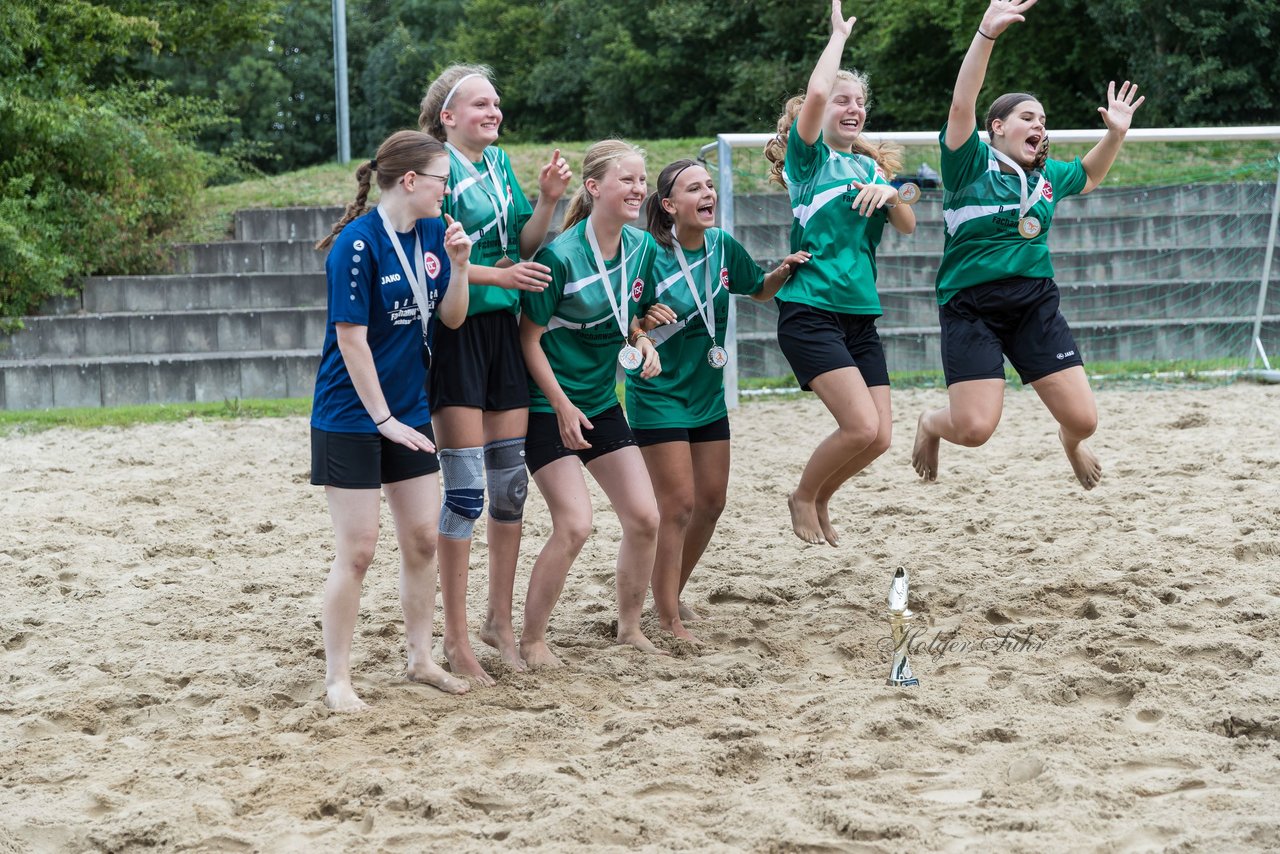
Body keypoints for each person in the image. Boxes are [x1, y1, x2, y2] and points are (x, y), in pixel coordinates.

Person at [910, 0, 1144, 490]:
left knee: (1084, 422)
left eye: (1043, 119)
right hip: (970, 304)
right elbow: (961, 104)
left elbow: (1090, 174)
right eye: (1027, 116)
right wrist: (986, 35)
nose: (1039, 125)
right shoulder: (968, 162)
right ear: (997, 127)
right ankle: (932, 423)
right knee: (974, 430)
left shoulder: (1047, 175)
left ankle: (1070, 445)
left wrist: (1115, 134)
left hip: (1033, 302)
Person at [417, 65, 573, 685]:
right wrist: (499, 276)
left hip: (503, 334)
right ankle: (454, 638)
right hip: (456, 334)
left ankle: (498, 623)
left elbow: (525, 245)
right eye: (481, 103)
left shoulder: (500, 164)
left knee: (510, 488)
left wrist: (550, 201)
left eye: (497, 103)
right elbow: (434, 262)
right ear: (448, 116)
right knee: (464, 494)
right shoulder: (436, 168)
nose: (494, 111)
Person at [310, 130, 473, 711]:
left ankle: (420, 659)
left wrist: (459, 267)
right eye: (441, 181)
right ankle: (337, 680)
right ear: (410, 181)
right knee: (358, 549)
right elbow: (350, 340)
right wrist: (381, 418)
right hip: (352, 414)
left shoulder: (434, 232)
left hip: (407, 412)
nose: (446, 193)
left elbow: (451, 320)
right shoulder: (357, 245)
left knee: (424, 540)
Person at [629, 159, 810, 642]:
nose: (708, 193)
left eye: (710, 185)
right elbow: (618, 320)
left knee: (711, 502)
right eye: (694, 188)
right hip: (659, 395)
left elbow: (758, 290)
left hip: (707, 396)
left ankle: (670, 593)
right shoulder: (647, 250)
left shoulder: (723, 246)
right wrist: (642, 324)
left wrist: (784, 271)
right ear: (669, 206)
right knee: (679, 506)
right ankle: (666, 616)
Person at [762, 0, 917, 547]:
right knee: (860, 428)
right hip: (811, 313)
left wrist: (893, 191)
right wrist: (838, 39)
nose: (851, 108)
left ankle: (822, 496)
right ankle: (804, 495)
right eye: (842, 101)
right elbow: (821, 91)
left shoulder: (869, 166)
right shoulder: (809, 162)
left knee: (879, 440)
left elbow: (908, 225)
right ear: (818, 114)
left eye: (860, 102)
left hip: (858, 315)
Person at [518, 139, 665, 669]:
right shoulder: (560, 255)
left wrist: (643, 340)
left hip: (601, 401)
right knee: (576, 525)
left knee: (646, 517)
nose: (638, 189)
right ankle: (531, 639)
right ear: (594, 187)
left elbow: (630, 314)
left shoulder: (642, 247)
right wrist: (559, 405)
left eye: (642, 180)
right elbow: (528, 339)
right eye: (627, 179)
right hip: (546, 404)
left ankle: (628, 629)